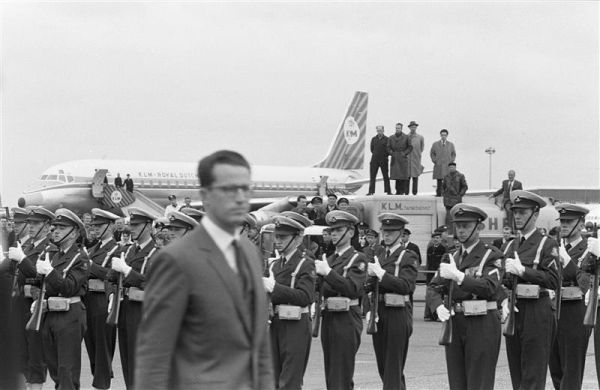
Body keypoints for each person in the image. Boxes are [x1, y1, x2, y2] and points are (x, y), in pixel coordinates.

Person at [134, 150, 274, 390]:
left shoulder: (250, 253)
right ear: (205, 195)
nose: (240, 198)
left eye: (245, 189)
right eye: (229, 189)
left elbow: (259, 346)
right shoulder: (176, 260)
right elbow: (154, 352)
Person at [426, 204, 505, 390]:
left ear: (479, 227)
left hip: (482, 324)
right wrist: (437, 305)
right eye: (458, 226)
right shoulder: (451, 256)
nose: (461, 230)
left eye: (466, 226)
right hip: (456, 322)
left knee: (479, 382)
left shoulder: (491, 255)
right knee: (457, 382)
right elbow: (433, 287)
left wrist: (460, 277)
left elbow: (490, 287)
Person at [502, 190, 559, 390]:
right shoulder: (510, 245)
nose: (517, 216)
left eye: (523, 212)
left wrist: (524, 271)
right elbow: (503, 281)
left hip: (537, 310)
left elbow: (553, 279)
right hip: (515, 309)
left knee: (533, 373)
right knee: (516, 372)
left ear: (535, 214)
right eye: (515, 212)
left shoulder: (547, 244)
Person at [35, 209, 89, 389]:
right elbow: (42, 285)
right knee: (55, 370)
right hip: (50, 315)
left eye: (61, 227)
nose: (55, 231)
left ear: (73, 232)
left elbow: (68, 288)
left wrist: (49, 272)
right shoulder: (54, 255)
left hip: (70, 316)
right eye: (55, 227)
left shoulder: (80, 257)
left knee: (67, 370)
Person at [314, 210, 367, 390]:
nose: (334, 234)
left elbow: (352, 288)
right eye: (332, 230)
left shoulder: (357, 258)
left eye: (338, 230)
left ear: (350, 232)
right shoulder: (329, 258)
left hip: (346, 319)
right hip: (329, 318)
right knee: (331, 372)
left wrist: (328, 273)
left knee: (341, 374)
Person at [366, 213, 418, 390]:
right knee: (383, 366)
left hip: (397, 312)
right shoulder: (380, 254)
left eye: (391, 231)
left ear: (401, 233)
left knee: (393, 366)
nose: (386, 235)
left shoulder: (408, 256)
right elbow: (370, 286)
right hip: (379, 311)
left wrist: (382, 275)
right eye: (384, 231)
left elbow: (407, 286)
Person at [263, 215, 315, 390]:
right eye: (276, 237)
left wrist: (274, 288)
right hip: (276, 323)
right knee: (273, 379)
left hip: (296, 325)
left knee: (290, 381)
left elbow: (305, 297)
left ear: (298, 237)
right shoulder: (274, 265)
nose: (277, 241)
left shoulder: (306, 263)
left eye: (283, 237)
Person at [108, 207, 157, 389]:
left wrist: (128, 271)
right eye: (131, 224)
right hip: (125, 309)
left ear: (149, 226)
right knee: (127, 361)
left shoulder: (157, 252)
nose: (132, 229)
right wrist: (112, 293)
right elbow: (110, 277)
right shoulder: (128, 251)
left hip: (143, 312)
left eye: (137, 225)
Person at [9, 207, 55, 390]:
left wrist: (22, 260)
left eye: (36, 223)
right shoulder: (28, 247)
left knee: (36, 360)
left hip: (35, 310)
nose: (30, 227)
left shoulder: (49, 249)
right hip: (19, 307)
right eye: (29, 223)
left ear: (47, 226)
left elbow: (39, 277)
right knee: (21, 358)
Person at [549, 204, 591, 390]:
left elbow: (584, 285)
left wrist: (568, 262)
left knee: (571, 372)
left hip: (575, 313)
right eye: (562, 221)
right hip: (552, 313)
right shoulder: (554, 248)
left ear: (580, 225)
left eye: (569, 222)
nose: (564, 225)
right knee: (556, 369)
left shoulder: (589, 250)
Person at [84, 208, 121, 390]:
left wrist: (91, 266)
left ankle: (102, 384)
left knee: (102, 348)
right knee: (91, 346)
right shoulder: (93, 249)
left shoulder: (117, 249)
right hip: (88, 300)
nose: (95, 229)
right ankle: (100, 381)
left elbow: (113, 275)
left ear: (112, 226)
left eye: (100, 226)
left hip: (102, 302)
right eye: (94, 226)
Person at [424, 231, 447, 321]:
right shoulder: (430, 248)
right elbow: (428, 261)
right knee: (429, 294)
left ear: (440, 239)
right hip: (430, 275)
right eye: (434, 238)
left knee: (439, 295)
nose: (435, 240)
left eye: (437, 238)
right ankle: (429, 315)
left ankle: (438, 315)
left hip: (438, 275)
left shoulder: (443, 248)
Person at [387, 123, 412, 195]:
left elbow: (410, 147)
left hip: (402, 158)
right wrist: (392, 153)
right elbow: (388, 147)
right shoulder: (391, 137)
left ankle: (402, 191)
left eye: (399, 128)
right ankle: (397, 191)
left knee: (403, 176)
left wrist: (404, 153)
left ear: (401, 129)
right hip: (395, 157)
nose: (397, 129)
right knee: (396, 176)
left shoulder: (406, 137)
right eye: (396, 128)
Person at [442, 162, 468, 232]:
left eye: (452, 167)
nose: (451, 168)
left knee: (457, 216)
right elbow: (443, 186)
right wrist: (444, 194)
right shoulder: (446, 176)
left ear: (455, 167)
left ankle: (456, 232)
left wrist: (460, 195)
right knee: (448, 217)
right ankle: (448, 231)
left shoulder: (460, 176)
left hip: (456, 200)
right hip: (448, 200)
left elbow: (465, 186)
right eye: (450, 167)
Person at [430, 129, 456, 197]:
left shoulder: (451, 145)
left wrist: (451, 161)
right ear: (440, 135)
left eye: (445, 135)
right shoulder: (435, 144)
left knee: (447, 181)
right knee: (439, 181)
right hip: (439, 165)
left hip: (447, 165)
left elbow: (453, 154)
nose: (443, 136)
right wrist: (435, 160)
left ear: (447, 135)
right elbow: (432, 153)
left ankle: (447, 194)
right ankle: (438, 194)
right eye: (442, 135)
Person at [368, 125, 391, 195]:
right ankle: (371, 191)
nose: (379, 132)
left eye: (380, 130)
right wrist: (376, 154)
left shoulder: (387, 139)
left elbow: (389, 149)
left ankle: (388, 191)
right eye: (378, 131)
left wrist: (384, 155)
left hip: (384, 160)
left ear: (383, 131)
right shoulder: (373, 139)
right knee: (372, 177)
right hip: (374, 160)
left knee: (386, 176)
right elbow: (372, 149)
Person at [406, 121, 425, 195]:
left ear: (416, 127)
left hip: (416, 160)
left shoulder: (420, 137)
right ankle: (406, 194)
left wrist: (417, 154)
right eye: (411, 127)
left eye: (414, 126)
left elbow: (422, 148)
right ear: (409, 128)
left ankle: (415, 194)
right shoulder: (406, 137)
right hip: (407, 160)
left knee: (415, 178)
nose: (413, 128)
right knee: (407, 178)